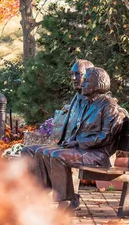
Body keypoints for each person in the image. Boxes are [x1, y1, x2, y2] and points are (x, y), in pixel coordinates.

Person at [35, 67, 127, 209]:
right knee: (43, 152)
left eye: (87, 81)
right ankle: (43, 197)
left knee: (56, 155)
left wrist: (78, 142)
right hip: (84, 150)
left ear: (98, 84)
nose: (82, 84)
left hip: (99, 155)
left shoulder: (109, 106)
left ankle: (67, 201)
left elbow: (106, 137)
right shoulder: (88, 103)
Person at [22, 59, 94, 188]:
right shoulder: (77, 98)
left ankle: (51, 195)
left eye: (78, 74)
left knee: (48, 154)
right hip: (69, 145)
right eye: (72, 74)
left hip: (86, 150)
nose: (73, 78)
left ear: (90, 76)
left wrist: (76, 142)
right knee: (28, 150)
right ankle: (36, 192)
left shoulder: (96, 102)